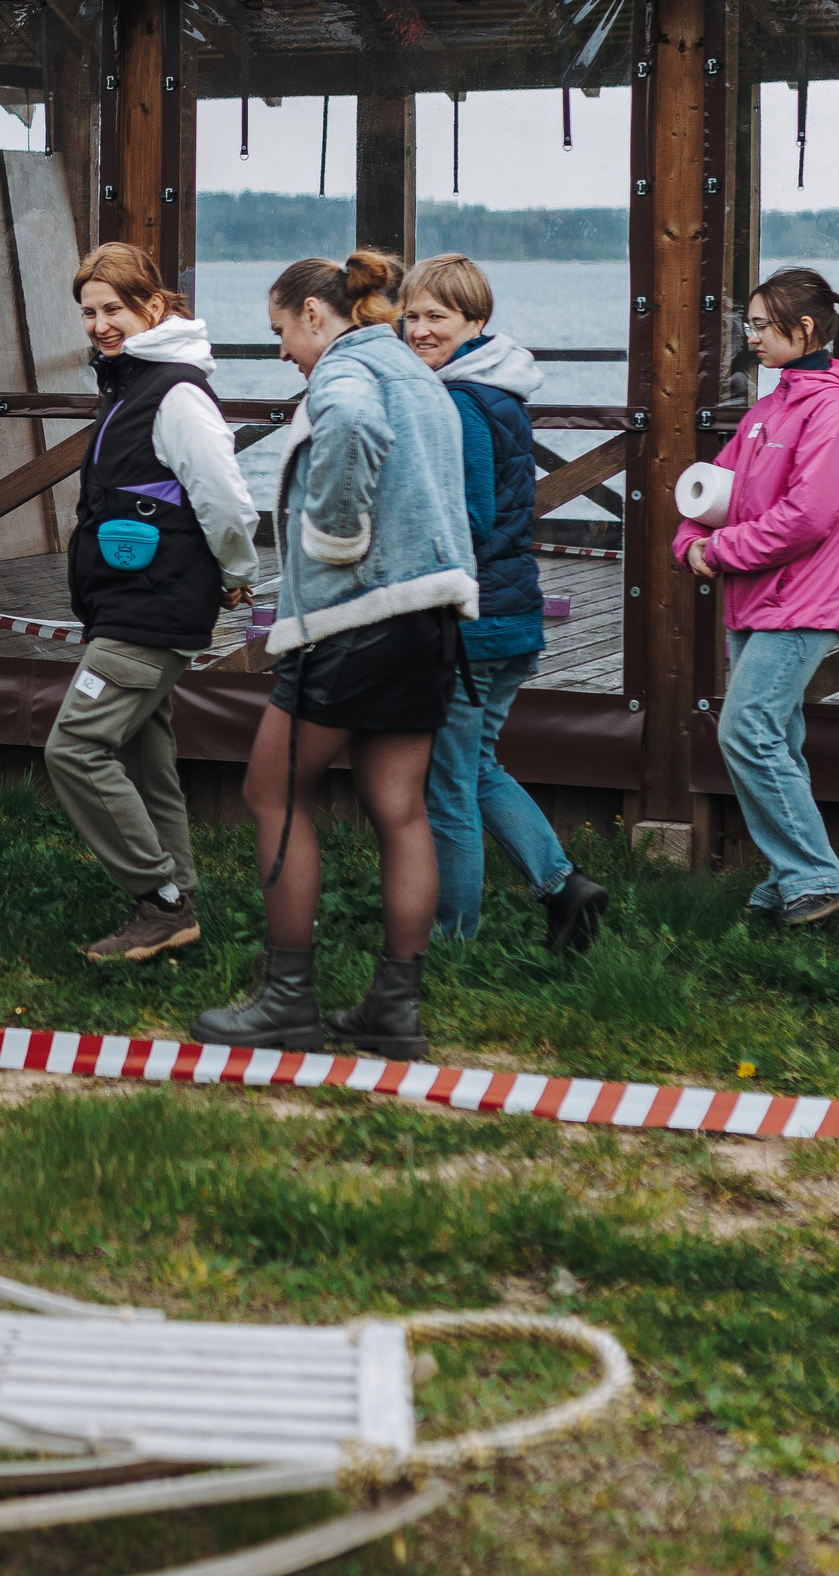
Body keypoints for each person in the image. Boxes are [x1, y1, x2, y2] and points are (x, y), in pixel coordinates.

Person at [192, 252, 477, 1060]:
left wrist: (335, 536)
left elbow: (350, 428)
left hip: (355, 621)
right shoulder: (417, 370)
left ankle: (287, 1000)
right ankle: (396, 1009)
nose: (282, 350)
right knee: (401, 808)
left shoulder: (347, 372)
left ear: (316, 315)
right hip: (431, 619)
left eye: (281, 331)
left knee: (271, 791)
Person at [44, 242, 259, 961]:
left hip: (153, 608)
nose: (101, 324)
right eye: (89, 312)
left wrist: (237, 567)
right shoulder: (132, 386)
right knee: (144, 756)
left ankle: (158, 900)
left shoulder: (175, 394)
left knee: (75, 746)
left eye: (115, 310)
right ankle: (178, 902)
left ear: (154, 309)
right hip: (130, 602)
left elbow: (224, 496)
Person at [400, 253, 610, 951]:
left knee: (447, 787)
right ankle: (563, 886)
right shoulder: (499, 391)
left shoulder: (457, 401)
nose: (420, 329)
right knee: (478, 766)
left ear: (476, 321)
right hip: (513, 612)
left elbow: (468, 517)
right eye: (412, 315)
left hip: (473, 620)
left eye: (438, 317)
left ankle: (451, 938)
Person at [672, 267, 839, 928]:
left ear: (807, 327)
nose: (751, 337)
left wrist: (721, 551)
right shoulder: (770, 409)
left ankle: (815, 879)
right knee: (776, 742)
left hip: (801, 606)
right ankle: (785, 887)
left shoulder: (837, 410)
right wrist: (689, 542)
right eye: (750, 326)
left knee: (748, 731)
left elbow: (808, 517)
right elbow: (710, 486)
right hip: (756, 602)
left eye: (762, 326)